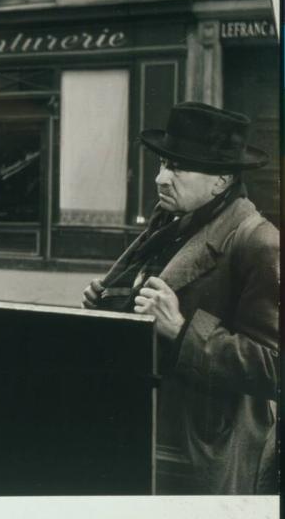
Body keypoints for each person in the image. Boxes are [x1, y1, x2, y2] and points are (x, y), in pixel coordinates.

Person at [82, 101, 279, 494]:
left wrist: (183, 329)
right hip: (150, 430)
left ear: (221, 180)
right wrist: (110, 304)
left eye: (178, 167)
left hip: (206, 448)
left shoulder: (258, 241)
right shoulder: (169, 225)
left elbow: (274, 369)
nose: (160, 178)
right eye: (161, 163)